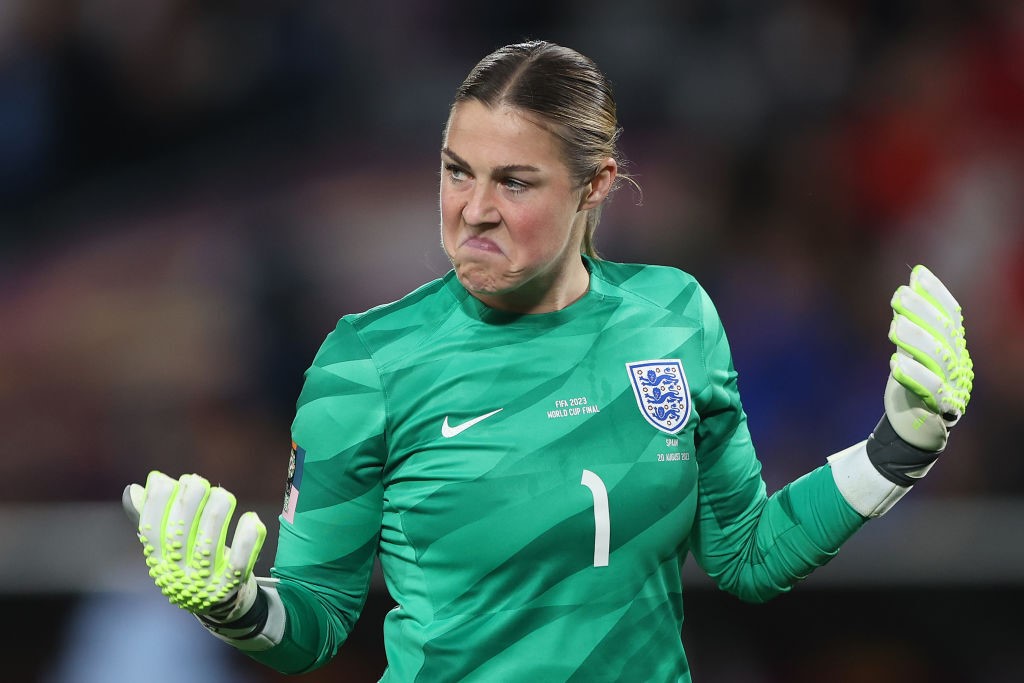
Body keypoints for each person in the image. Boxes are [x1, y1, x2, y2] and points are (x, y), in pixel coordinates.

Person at [122, 40, 974, 681]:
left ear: (595, 185)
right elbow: (312, 623)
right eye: (457, 172)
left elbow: (746, 554)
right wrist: (233, 603)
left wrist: (895, 449)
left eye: (515, 181)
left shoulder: (673, 316)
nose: (473, 212)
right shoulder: (369, 360)